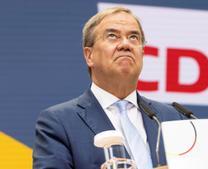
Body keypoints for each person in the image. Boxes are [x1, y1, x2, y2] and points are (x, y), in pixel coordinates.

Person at [33, 6, 181, 169]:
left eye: (133, 37)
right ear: (89, 56)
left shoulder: (171, 118)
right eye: (112, 36)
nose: (126, 44)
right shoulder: (59, 122)